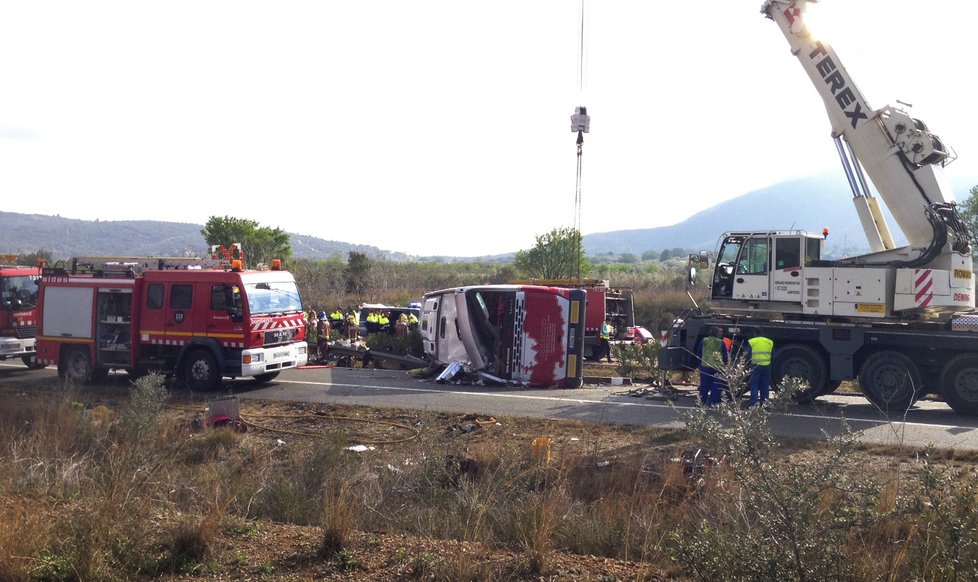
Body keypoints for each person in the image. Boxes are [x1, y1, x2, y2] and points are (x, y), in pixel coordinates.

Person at [696, 326, 729, 406]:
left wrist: (700, 363)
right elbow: (725, 356)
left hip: (705, 365)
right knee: (716, 385)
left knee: (704, 385)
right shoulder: (721, 342)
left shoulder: (704, 341)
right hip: (717, 367)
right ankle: (713, 402)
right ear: (717, 333)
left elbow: (699, 353)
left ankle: (702, 401)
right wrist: (724, 364)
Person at [746, 331, 774, 407]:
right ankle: (764, 403)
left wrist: (748, 364)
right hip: (767, 365)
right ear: (763, 334)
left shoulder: (752, 341)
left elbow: (747, 354)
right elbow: (773, 354)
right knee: (765, 384)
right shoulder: (769, 342)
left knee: (754, 383)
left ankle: (753, 403)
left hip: (756, 365)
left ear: (755, 333)